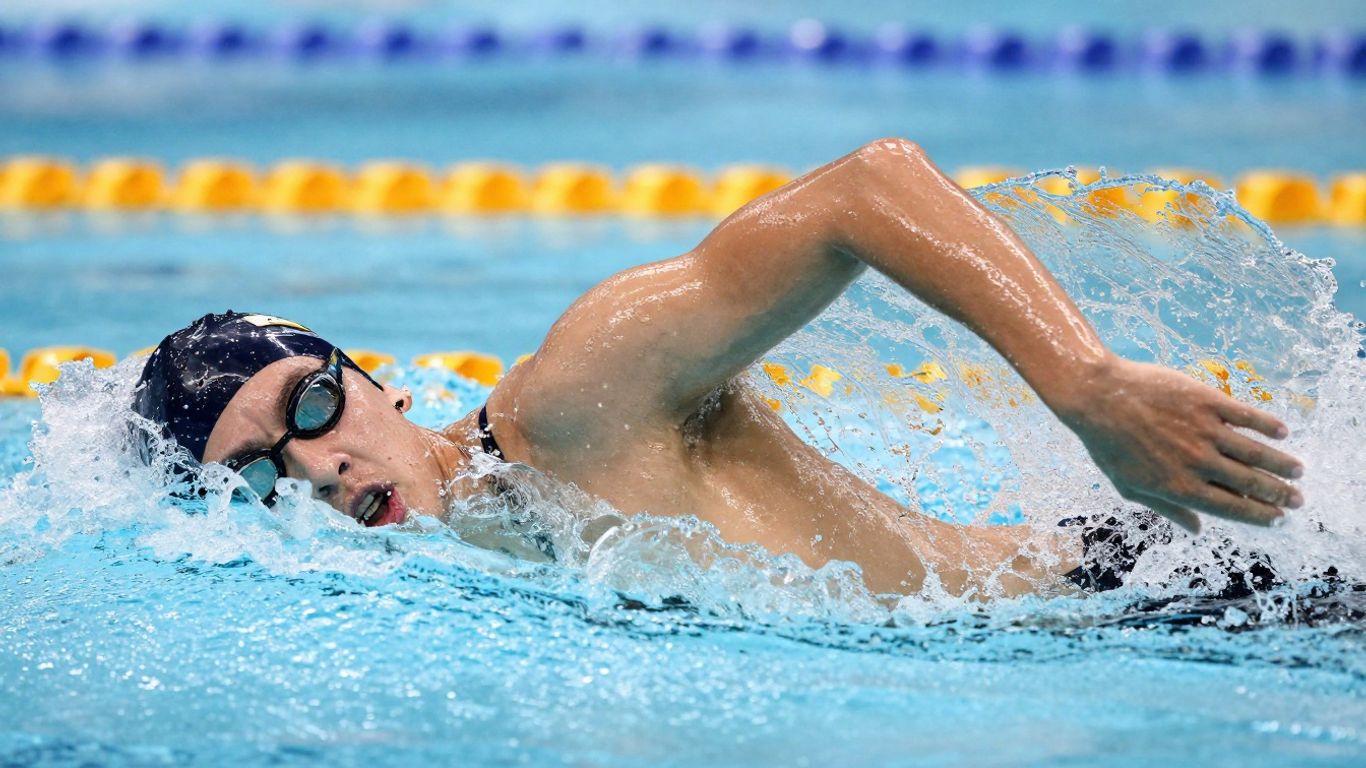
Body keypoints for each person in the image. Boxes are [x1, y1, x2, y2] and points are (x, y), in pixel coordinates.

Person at [131, 139, 1304, 598]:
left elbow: (865, 190)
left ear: (375, 380)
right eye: (263, 478)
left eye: (315, 406)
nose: (324, 466)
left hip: (1157, 594)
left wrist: (1089, 390)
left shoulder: (572, 402)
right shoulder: (471, 560)